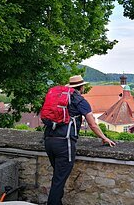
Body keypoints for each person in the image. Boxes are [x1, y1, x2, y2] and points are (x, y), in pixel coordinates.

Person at [44, 75, 116, 205]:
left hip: (49, 140)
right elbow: (93, 124)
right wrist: (105, 138)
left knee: (58, 177)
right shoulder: (80, 101)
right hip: (64, 143)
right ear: (81, 87)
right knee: (59, 180)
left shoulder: (60, 98)